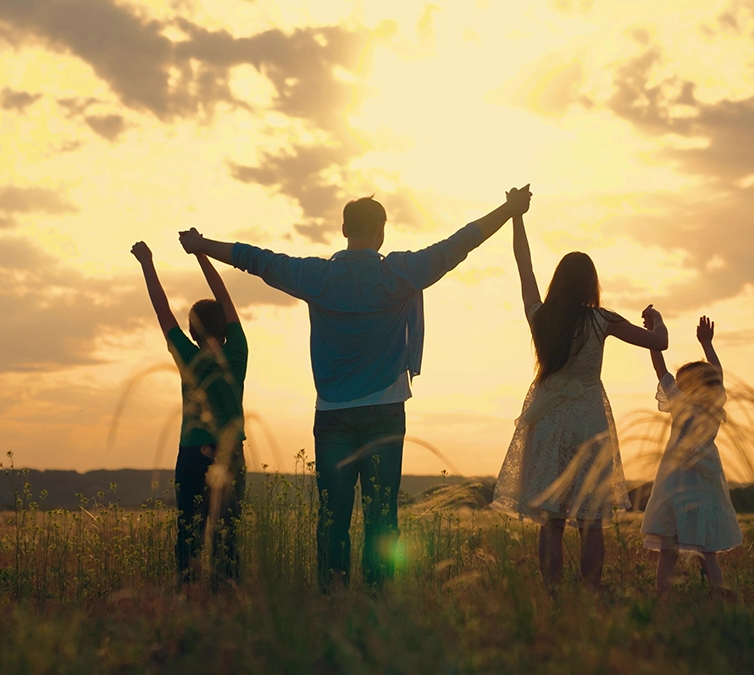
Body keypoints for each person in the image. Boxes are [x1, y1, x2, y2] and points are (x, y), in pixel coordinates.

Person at [178, 186, 533, 587]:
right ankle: (378, 599)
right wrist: (508, 208)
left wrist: (200, 244)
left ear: (344, 229)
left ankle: (333, 593)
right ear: (381, 232)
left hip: (332, 415)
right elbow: (461, 242)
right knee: (382, 516)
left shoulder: (317, 276)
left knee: (333, 517)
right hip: (384, 412)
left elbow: (256, 260)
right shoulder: (400, 272)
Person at [491, 207, 669, 588]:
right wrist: (657, 321)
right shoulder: (601, 320)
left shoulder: (539, 315)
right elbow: (660, 342)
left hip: (548, 415)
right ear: (590, 284)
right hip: (589, 418)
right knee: (592, 519)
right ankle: (590, 592)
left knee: (552, 521)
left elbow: (524, 266)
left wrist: (516, 217)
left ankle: (553, 592)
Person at [131, 239, 248, 585]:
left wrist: (147, 262)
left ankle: (188, 594)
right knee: (228, 534)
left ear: (192, 331)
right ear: (226, 327)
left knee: (188, 534)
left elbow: (162, 311)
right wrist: (200, 254)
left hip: (192, 455)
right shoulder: (238, 352)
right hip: (231, 455)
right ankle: (227, 597)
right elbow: (225, 300)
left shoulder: (188, 356)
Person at [641, 315, 742, 594]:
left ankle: (663, 597)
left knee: (667, 548)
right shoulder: (715, 403)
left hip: (676, 480)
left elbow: (660, 369)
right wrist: (707, 344)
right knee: (706, 548)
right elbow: (717, 374)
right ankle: (717, 592)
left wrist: (653, 338)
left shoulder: (681, 403)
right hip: (706, 476)